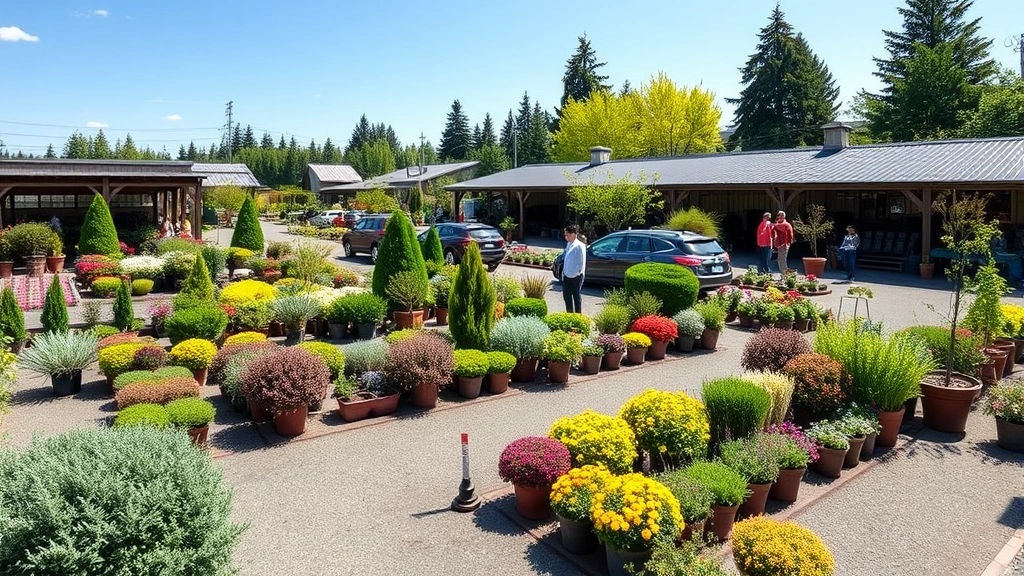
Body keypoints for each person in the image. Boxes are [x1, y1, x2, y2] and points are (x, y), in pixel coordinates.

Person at [561, 224, 586, 314]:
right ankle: (569, 314)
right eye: (565, 235)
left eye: (567, 235)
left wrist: (577, 274)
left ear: (573, 234)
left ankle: (578, 315)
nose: (565, 237)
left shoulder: (579, 245)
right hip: (567, 275)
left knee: (576, 297)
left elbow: (581, 261)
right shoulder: (569, 244)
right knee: (567, 296)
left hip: (576, 276)